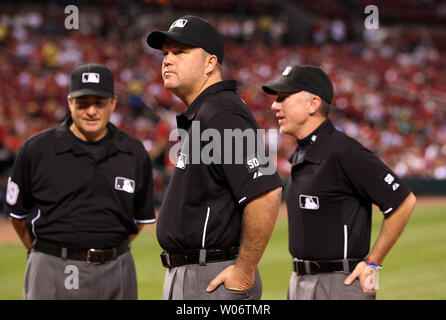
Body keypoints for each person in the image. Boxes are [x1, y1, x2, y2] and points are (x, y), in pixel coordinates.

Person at [146, 15, 283, 300]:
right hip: (196, 273)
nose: (167, 60)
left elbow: (266, 194)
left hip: (211, 276)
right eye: (165, 53)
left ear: (210, 63)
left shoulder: (221, 113)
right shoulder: (207, 112)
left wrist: (244, 271)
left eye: (180, 52)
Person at [262, 64, 416, 300]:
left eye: (283, 97)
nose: (275, 104)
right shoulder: (303, 153)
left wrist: (373, 262)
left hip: (338, 284)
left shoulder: (343, 151)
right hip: (300, 281)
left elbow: (403, 201)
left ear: (313, 104)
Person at [6, 63, 156, 300]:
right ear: (69, 102)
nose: (91, 111)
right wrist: (49, 254)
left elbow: (138, 220)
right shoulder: (36, 150)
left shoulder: (133, 152)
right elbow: (18, 218)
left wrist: (107, 251)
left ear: (113, 103)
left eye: (99, 103)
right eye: (83, 103)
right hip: (51, 267)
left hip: (116, 268)